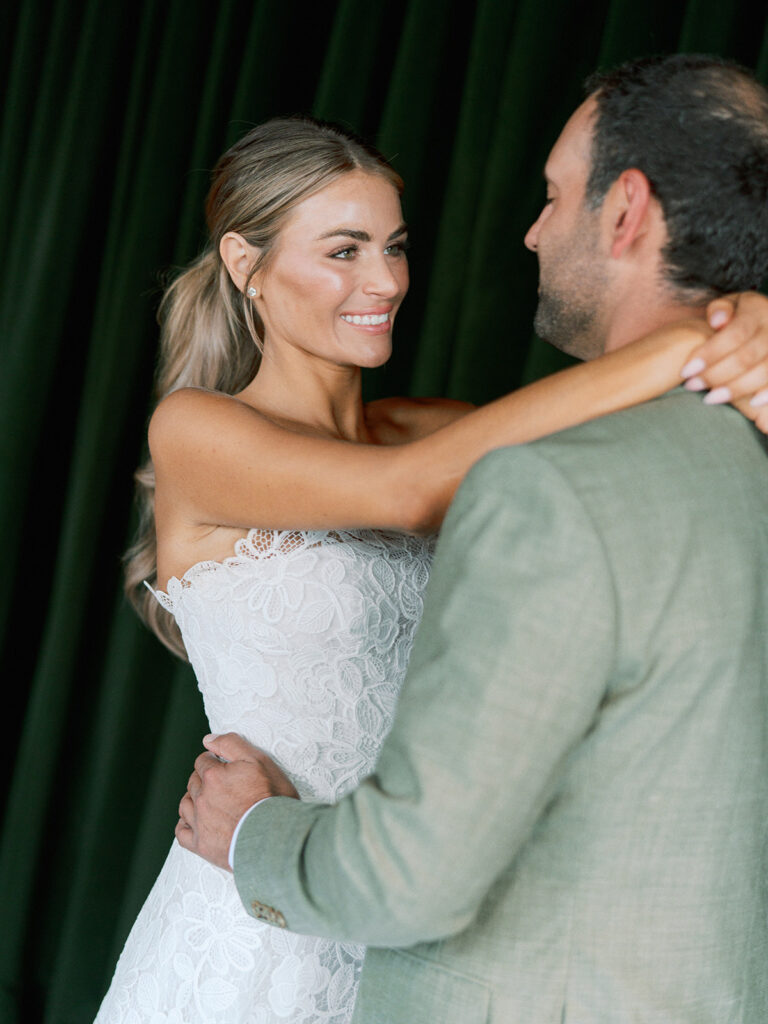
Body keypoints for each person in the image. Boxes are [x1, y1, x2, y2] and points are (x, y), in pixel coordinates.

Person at [97, 96, 768, 1021]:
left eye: (395, 246)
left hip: (407, 912)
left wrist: (746, 347)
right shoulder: (197, 430)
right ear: (246, 265)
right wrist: (697, 339)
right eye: (344, 250)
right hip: (255, 911)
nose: (385, 280)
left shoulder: (431, 430)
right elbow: (406, 494)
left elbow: (595, 456)